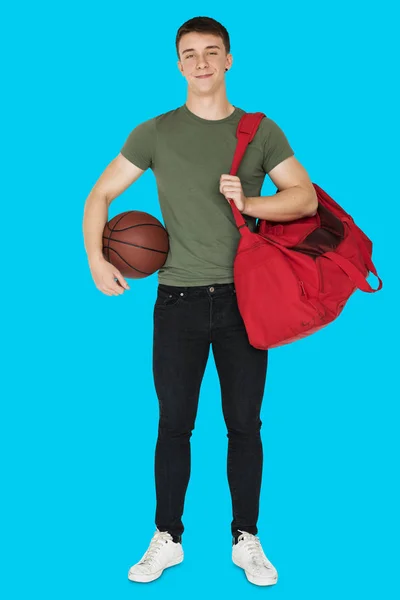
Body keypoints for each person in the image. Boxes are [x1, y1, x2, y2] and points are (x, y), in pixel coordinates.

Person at [82, 16, 318, 587]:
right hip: (177, 302)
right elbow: (101, 194)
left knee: (244, 424)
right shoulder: (156, 132)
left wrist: (251, 203)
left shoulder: (259, 131)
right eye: (190, 54)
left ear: (229, 59)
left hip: (244, 303)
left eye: (212, 52)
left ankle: (246, 539)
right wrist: (97, 261)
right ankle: (168, 537)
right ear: (179, 64)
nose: (202, 62)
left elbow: (305, 198)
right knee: (174, 425)